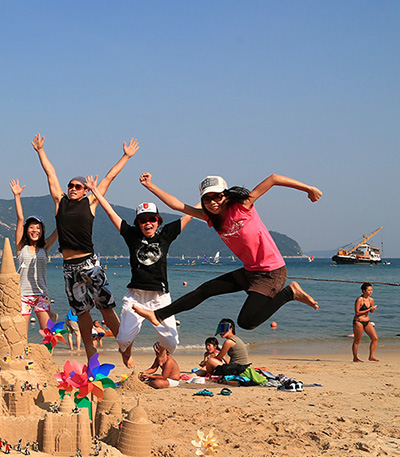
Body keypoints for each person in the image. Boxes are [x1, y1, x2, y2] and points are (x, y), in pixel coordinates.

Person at [132, 173, 320, 331]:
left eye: (217, 197)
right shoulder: (212, 218)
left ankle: (290, 293)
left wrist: (308, 188)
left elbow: (273, 179)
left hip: (271, 273)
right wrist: (150, 185)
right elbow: (177, 205)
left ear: (225, 195)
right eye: (207, 199)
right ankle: (158, 315)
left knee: (246, 322)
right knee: (205, 290)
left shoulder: (243, 206)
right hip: (250, 271)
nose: (213, 202)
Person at [32, 134, 139, 359]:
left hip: (90, 264)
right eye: (70, 185)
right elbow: (50, 174)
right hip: (69, 267)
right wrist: (41, 151)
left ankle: (124, 346)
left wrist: (125, 156)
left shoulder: (90, 203)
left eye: (77, 186)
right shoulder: (60, 203)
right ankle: (90, 351)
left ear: (85, 191)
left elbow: (109, 178)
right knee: (81, 312)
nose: (72, 188)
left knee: (106, 307)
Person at [84, 179, 193, 369]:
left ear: (158, 221)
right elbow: (111, 213)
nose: (147, 223)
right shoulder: (132, 235)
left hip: (160, 298)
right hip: (136, 297)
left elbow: (188, 214)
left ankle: (160, 347)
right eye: (143, 220)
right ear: (138, 224)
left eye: (152, 219)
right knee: (123, 340)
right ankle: (126, 353)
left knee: (172, 344)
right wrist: (95, 191)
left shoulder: (166, 234)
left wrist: (209, 197)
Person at [10, 179, 58, 332]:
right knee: (21, 334)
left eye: (38, 227)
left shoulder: (45, 246)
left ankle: (46, 356)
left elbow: (60, 227)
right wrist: (17, 196)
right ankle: (23, 356)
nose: (35, 230)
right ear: (27, 230)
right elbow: (20, 220)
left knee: (48, 333)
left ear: (42, 231)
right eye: (32, 227)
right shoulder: (20, 247)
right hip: (22, 295)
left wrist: (62, 207)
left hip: (41, 294)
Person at [352, 282, 380, 362]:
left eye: (371, 290)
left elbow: (370, 312)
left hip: (367, 321)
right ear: (364, 291)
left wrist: (372, 310)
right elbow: (357, 312)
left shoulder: (371, 299)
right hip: (358, 321)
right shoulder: (360, 300)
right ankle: (355, 358)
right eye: (369, 290)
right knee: (357, 340)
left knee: (375, 338)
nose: (371, 291)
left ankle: (371, 356)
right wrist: (369, 309)